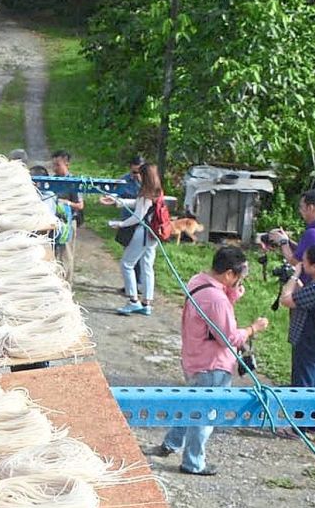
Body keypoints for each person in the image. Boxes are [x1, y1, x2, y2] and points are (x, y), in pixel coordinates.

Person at [156, 246, 269, 476]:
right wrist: (253, 329)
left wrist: (232, 295)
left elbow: (213, 316)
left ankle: (172, 442)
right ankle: (193, 463)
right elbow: (228, 337)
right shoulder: (217, 299)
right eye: (238, 276)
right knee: (205, 414)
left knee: (191, 403)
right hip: (212, 364)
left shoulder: (198, 281)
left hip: (194, 356)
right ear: (228, 274)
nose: (239, 281)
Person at [108, 162, 163, 315]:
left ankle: (133, 300)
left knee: (127, 264)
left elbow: (138, 216)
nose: (137, 176)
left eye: (139, 174)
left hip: (142, 232)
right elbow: (140, 206)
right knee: (147, 266)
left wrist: (120, 224)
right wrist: (118, 202)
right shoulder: (157, 191)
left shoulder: (145, 193)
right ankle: (147, 303)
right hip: (153, 234)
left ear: (145, 176)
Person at [279, 245, 315, 392]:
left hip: (308, 342)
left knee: (303, 386)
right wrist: (295, 281)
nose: (301, 264)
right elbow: (303, 295)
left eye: (304, 261)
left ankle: (302, 407)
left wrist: (295, 276)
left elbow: (285, 300)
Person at [269, 189, 315, 286]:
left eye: (301, 207)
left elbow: (295, 262)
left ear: (310, 208)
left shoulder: (313, 233)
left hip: (308, 287)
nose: (300, 211)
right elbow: (309, 253)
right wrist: (288, 241)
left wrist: (283, 242)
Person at [50, 150, 83, 283]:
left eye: (58, 165)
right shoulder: (52, 180)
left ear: (66, 164)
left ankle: (66, 283)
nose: (55, 168)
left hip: (68, 223)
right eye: (53, 165)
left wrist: (66, 203)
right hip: (54, 222)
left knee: (66, 254)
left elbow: (80, 205)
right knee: (53, 253)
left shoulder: (73, 182)